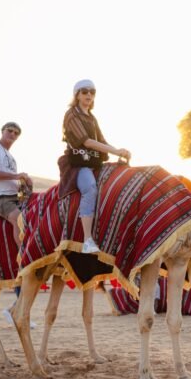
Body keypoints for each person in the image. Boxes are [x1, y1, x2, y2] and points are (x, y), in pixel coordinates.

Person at [58, 79, 131, 254]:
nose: (89, 95)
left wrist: (120, 151)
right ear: (77, 95)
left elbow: (101, 141)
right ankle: (87, 240)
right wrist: (115, 151)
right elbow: (87, 142)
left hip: (94, 162)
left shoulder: (91, 118)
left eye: (92, 92)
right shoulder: (71, 114)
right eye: (84, 91)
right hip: (78, 165)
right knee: (90, 188)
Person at [0, 121, 33, 248]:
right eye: (9, 130)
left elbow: (11, 180)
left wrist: (25, 184)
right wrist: (16, 176)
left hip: (15, 196)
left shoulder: (12, 158)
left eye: (16, 133)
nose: (12, 134)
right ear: (2, 131)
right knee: (19, 219)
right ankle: (25, 255)